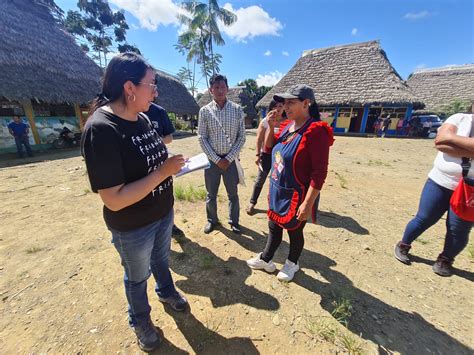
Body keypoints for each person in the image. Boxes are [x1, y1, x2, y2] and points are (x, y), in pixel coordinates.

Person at [81, 52, 188, 352]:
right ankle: (140, 319)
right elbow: (114, 199)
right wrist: (163, 172)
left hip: (162, 212)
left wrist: (171, 165)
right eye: (151, 84)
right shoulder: (101, 129)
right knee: (137, 275)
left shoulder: (142, 117)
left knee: (161, 260)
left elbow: (150, 162)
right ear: (130, 87)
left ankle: (166, 291)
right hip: (132, 225)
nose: (156, 91)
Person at [247, 85, 334, 282]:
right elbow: (269, 148)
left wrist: (308, 203)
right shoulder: (288, 125)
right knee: (273, 226)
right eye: (284, 103)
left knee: (295, 232)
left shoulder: (316, 131)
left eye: (290, 102)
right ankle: (266, 259)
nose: (285, 107)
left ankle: (292, 263)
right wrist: (271, 126)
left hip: (297, 194)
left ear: (306, 103)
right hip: (278, 188)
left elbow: (319, 173)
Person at [394, 103, 473, 277]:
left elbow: (448, 141)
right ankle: (404, 244)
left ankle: (445, 259)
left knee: (458, 229)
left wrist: (454, 141)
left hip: (470, 190)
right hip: (440, 181)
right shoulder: (460, 119)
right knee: (424, 218)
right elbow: (441, 141)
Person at [198, 74, 246, 235]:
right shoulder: (204, 111)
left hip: (231, 161)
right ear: (211, 90)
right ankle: (212, 220)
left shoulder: (237, 110)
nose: (219, 90)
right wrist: (217, 159)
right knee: (211, 194)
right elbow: (202, 138)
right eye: (216, 87)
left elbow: (242, 137)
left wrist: (229, 158)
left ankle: (234, 222)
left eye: (222, 87)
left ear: (227, 88)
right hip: (212, 161)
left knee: (233, 194)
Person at [144, 100, 185, 238]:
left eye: (154, 87)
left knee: (164, 193)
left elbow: (169, 137)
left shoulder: (159, 111)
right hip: (140, 165)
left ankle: (170, 225)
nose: (154, 93)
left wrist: (152, 143)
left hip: (160, 161)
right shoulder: (125, 112)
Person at [246, 100, 285, 215]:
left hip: (281, 157)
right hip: (267, 155)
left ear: (284, 108)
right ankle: (252, 202)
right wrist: (258, 155)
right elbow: (259, 139)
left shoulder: (288, 122)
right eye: (274, 106)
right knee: (260, 179)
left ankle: (278, 206)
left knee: (280, 181)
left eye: (280, 106)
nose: (277, 108)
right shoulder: (265, 121)